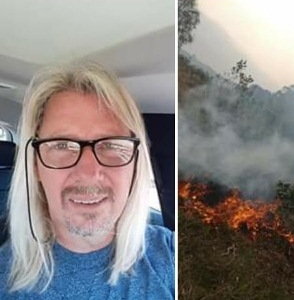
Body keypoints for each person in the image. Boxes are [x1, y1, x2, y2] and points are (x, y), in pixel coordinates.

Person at [0, 62, 174, 298]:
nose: (89, 172)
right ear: (35, 165)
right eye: (62, 145)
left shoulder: (173, 257)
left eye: (111, 144)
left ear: (136, 163)